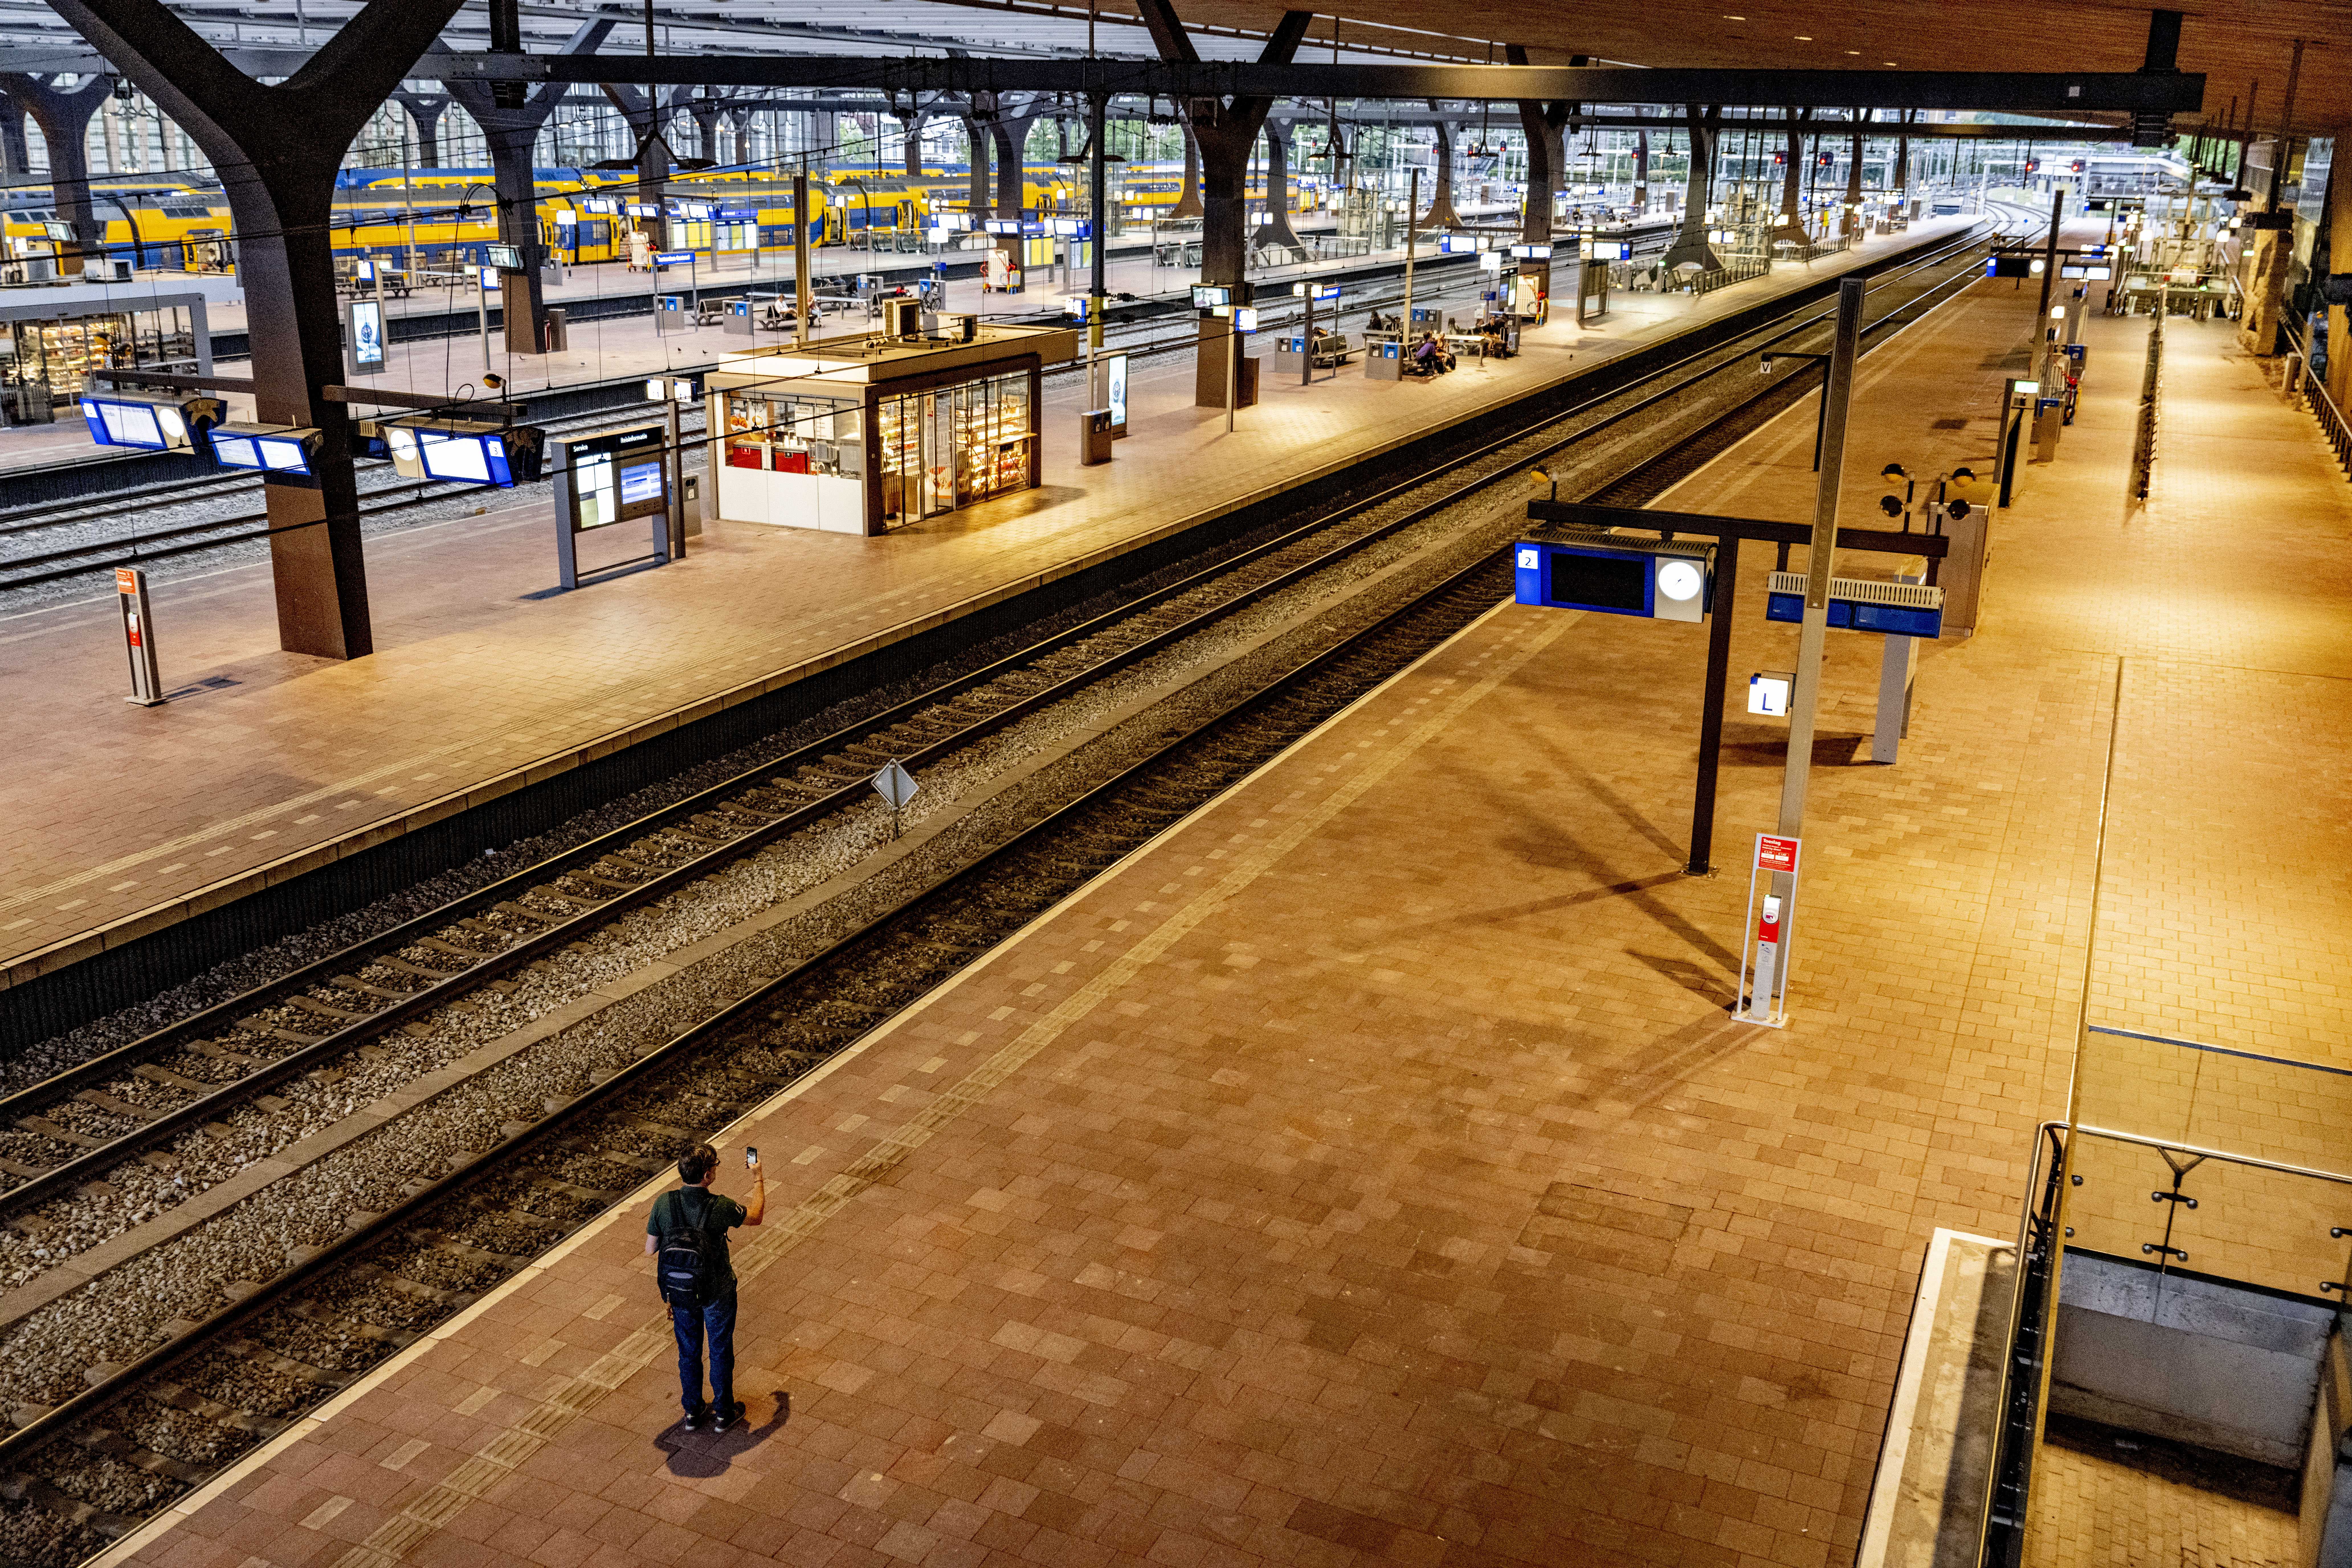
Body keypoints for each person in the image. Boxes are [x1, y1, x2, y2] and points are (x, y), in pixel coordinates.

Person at [646, 1142, 765, 1432]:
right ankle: (724, 1412)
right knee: (720, 1348)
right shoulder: (720, 1206)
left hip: (681, 1293)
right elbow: (756, 1215)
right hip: (717, 1291)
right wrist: (758, 1177)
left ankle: (692, 1410)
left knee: (688, 1350)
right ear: (708, 1175)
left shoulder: (664, 1203)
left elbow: (650, 1248)